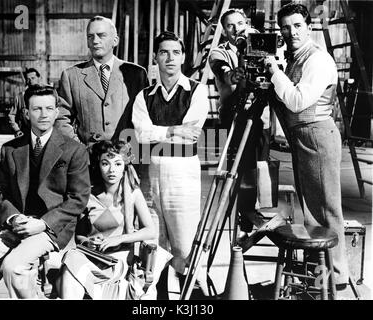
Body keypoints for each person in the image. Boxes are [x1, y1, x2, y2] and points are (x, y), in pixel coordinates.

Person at [0, 84, 91, 299]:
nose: (43, 115)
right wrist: (13, 217)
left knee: (13, 267)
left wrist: (43, 223)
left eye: (49, 108)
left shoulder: (74, 150)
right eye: (37, 109)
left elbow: (78, 198)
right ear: (26, 113)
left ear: (57, 112)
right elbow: (0, 190)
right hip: (18, 224)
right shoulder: (11, 149)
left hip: (51, 228)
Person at [264, 2, 349, 288]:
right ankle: (318, 272)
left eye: (297, 25)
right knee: (311, 209)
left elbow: (298, 100)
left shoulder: (318, 59)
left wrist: (275, 72)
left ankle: (335, 276)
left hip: (317, 135)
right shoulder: (294, 58)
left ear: (309, 27)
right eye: (285, 27)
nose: (291, 32)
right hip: (302, 137)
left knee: (326, 208)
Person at [132, 31, 209, 276]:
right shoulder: (144, 96)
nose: (170, 58)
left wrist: (156, 133)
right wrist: (174, 130)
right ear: (155, 57)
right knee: (154, 244)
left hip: (183, 175)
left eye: (176, 52)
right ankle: (158, 295)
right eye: (164, 52)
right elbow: (141, 135)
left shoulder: (197, 91)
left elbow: (191, 134)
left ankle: (188, 294)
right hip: (151, 174)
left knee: (184, 246)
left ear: (183, 57)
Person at [57, 139, 157, 299]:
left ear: (125, 165)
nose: (112, 170)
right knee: (71, 260)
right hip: (92, 257)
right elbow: (79, 237)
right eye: (105, 163)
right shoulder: (88, 195)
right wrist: (88, 242)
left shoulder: (132, 193)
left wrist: (118, 239)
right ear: (98, 165)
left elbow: (150, 231)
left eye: (118, 164)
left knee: (70, 267)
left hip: (119, 260)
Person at [209, 8, 271, 240]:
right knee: (237, 167)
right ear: (224, 31)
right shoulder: (218, 52)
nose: (236, 29)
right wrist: (232, 75)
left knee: (259, 167)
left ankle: (254, 211)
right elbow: (221, 69)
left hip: (259, 117)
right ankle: (238, 211)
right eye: (230, 26)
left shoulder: (261, 43)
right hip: (233, 116)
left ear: (246, 23)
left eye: (240, 23)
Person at [58, 16, 149, 145]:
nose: (95, 41)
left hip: (126, 156)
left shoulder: (136, 74)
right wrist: (79, 150)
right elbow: (61, 118)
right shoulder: (71, 76)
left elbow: (145, 119)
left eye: (101, 35)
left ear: (115, 41)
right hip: (89, 158)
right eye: (90, 36)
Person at [8, 68, 41, 137]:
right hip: (25, 133)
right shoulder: (20, 97)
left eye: (33, 78)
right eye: (28, 79)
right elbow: (12, 115)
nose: (30, 81)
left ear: (39, 78)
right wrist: (17, 130)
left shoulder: (47, 96)